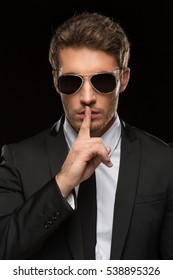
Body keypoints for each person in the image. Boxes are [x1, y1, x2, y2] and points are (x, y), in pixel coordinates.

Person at [0, 11, 173, 260]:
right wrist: (62, 183)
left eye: (102, 81)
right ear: (56, 82)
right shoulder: (17, 161)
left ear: (123, 79)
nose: (88, 97)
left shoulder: (165, 162)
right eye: (72, 82)